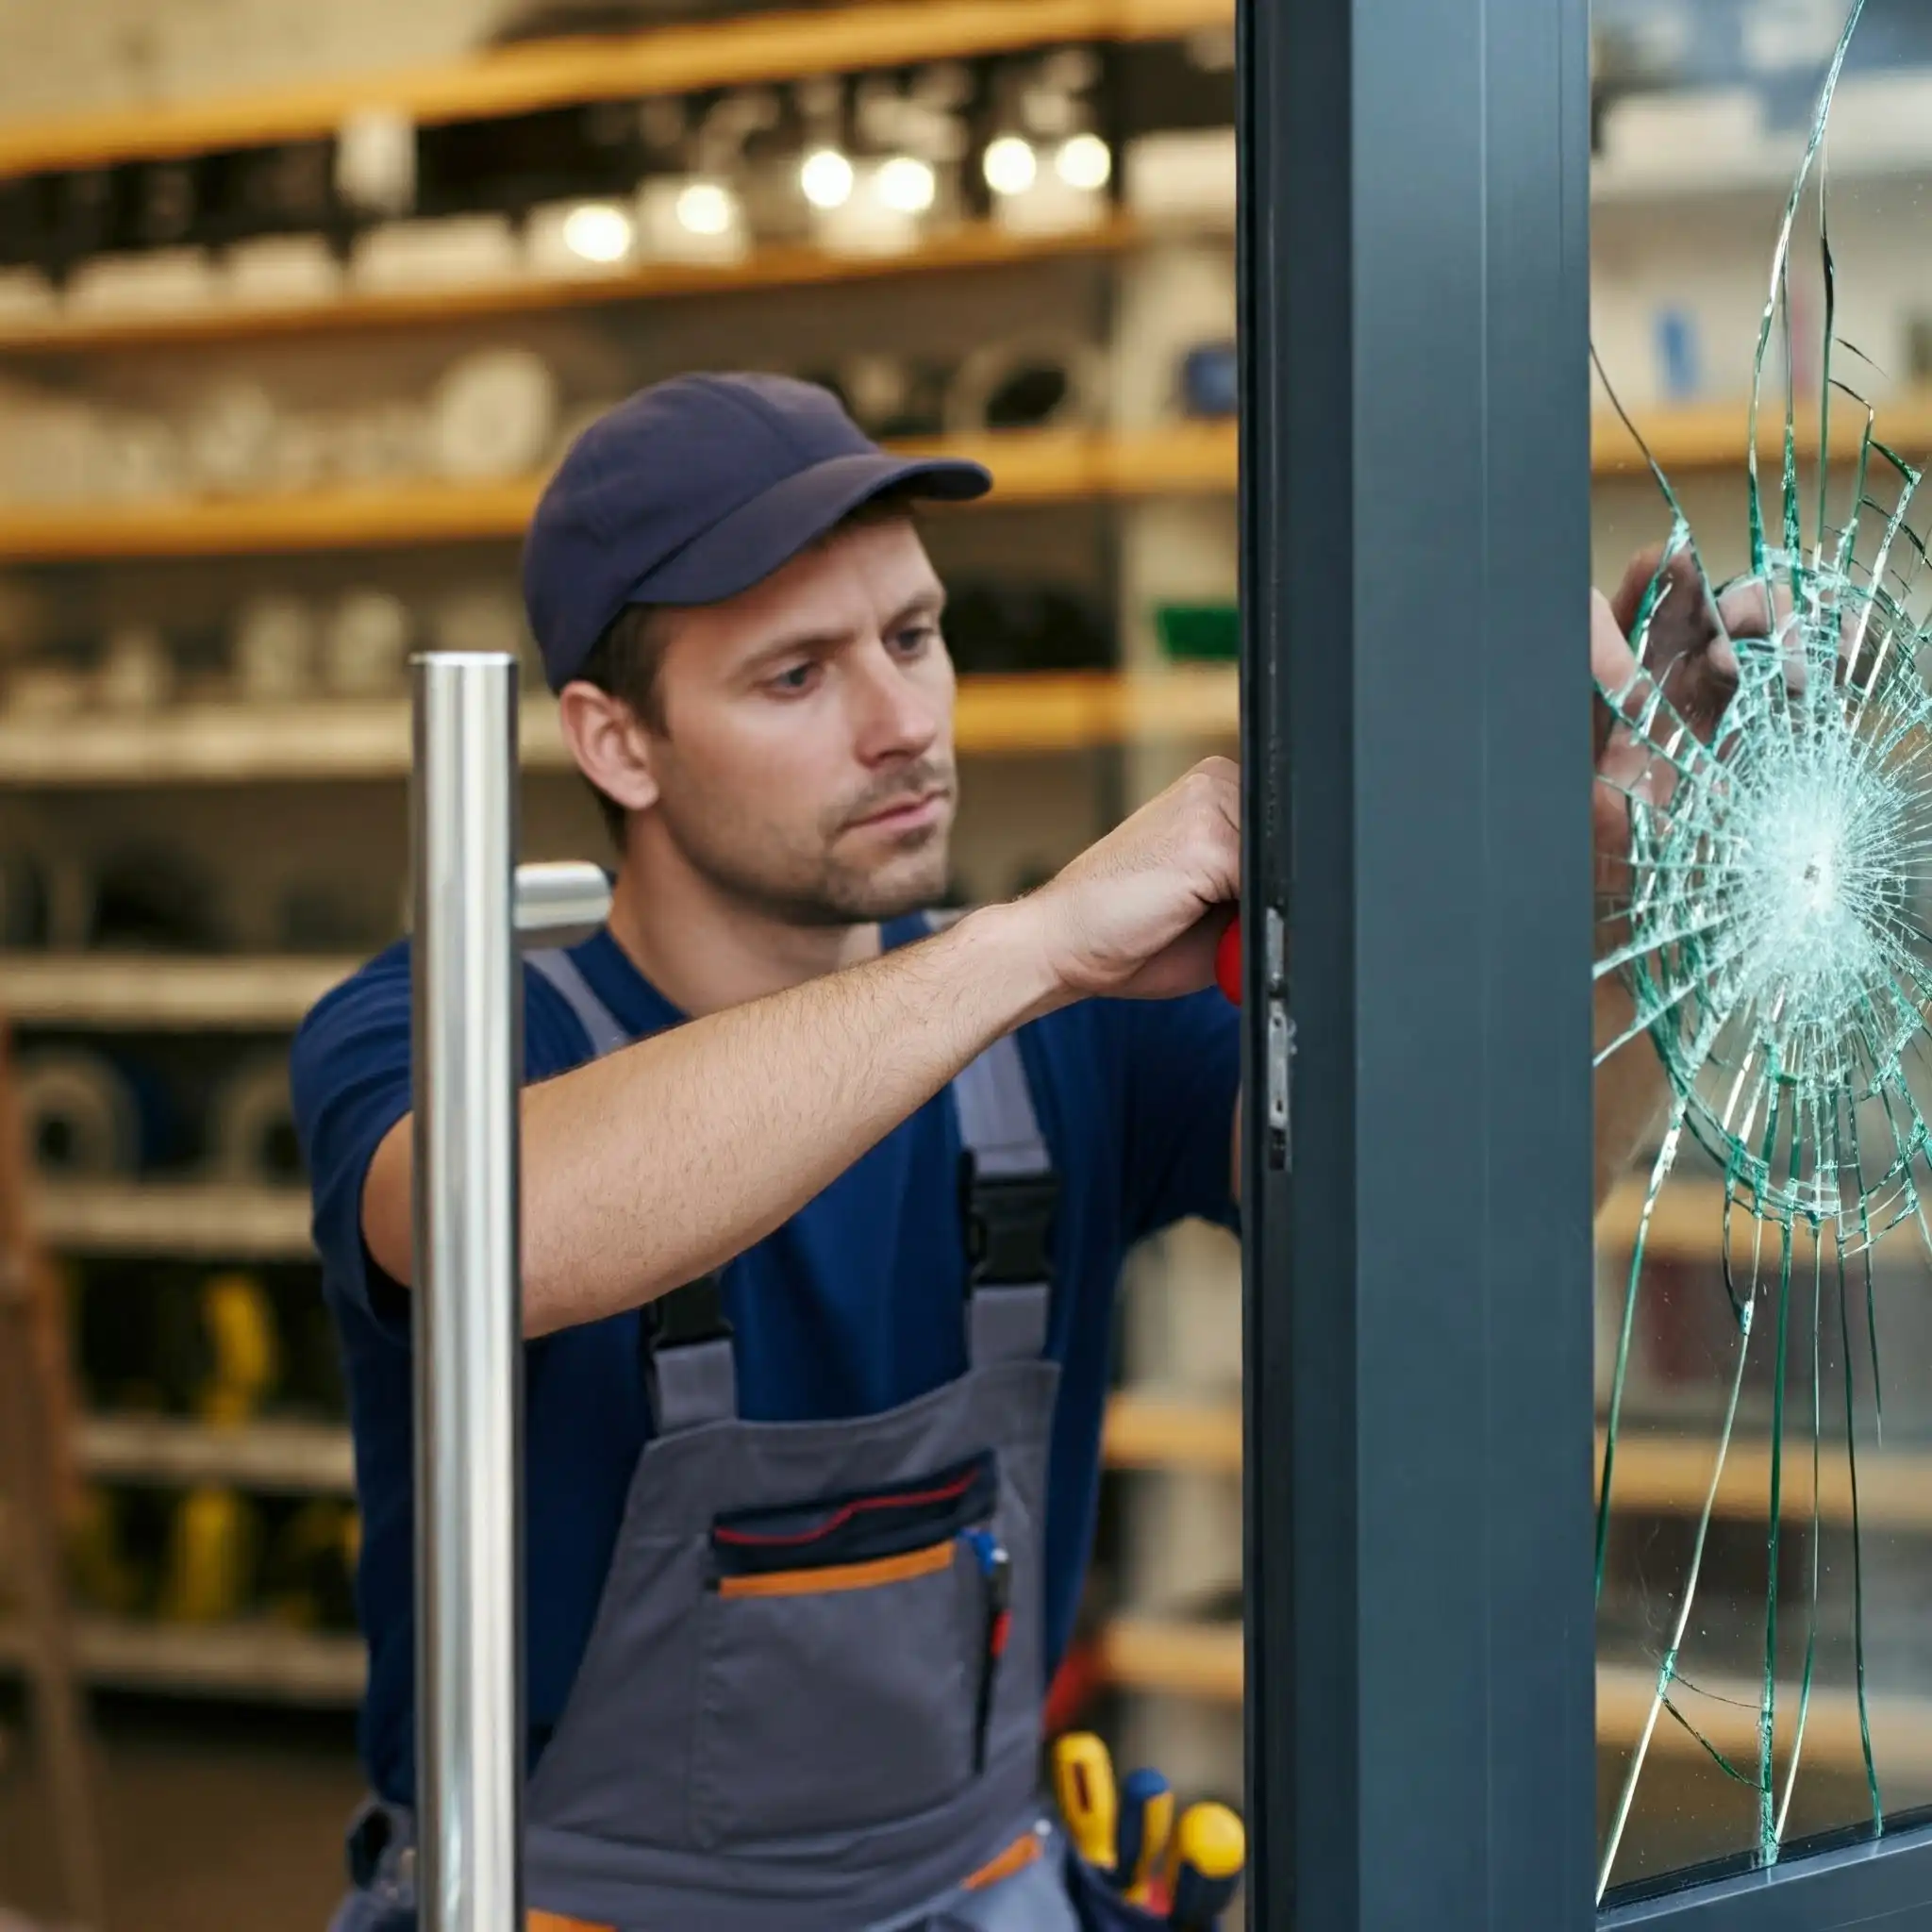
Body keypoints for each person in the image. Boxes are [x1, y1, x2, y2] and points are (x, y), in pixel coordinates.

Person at [292, 372, 1728, 1931]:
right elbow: (500, 1234)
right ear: (618, 743)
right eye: (796, 675)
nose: (903, 722)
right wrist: (1031, 944)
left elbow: (1482, 1206)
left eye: (915, 636)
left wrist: (1633, 930)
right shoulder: (440, 1032)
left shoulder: (1071, 1042)